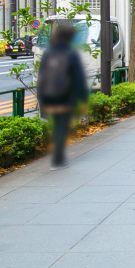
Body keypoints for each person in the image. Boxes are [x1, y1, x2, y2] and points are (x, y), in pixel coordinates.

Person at [36, 23, 88, 170]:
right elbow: (78, 79)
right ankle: (58, 160)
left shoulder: (48, 52)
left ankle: (58, 156)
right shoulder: (71, 53)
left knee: (56, 124)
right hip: (65, 97)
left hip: (49, 96)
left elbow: (41, 75)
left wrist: (41, 97)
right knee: (61, 126)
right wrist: (83, 100)